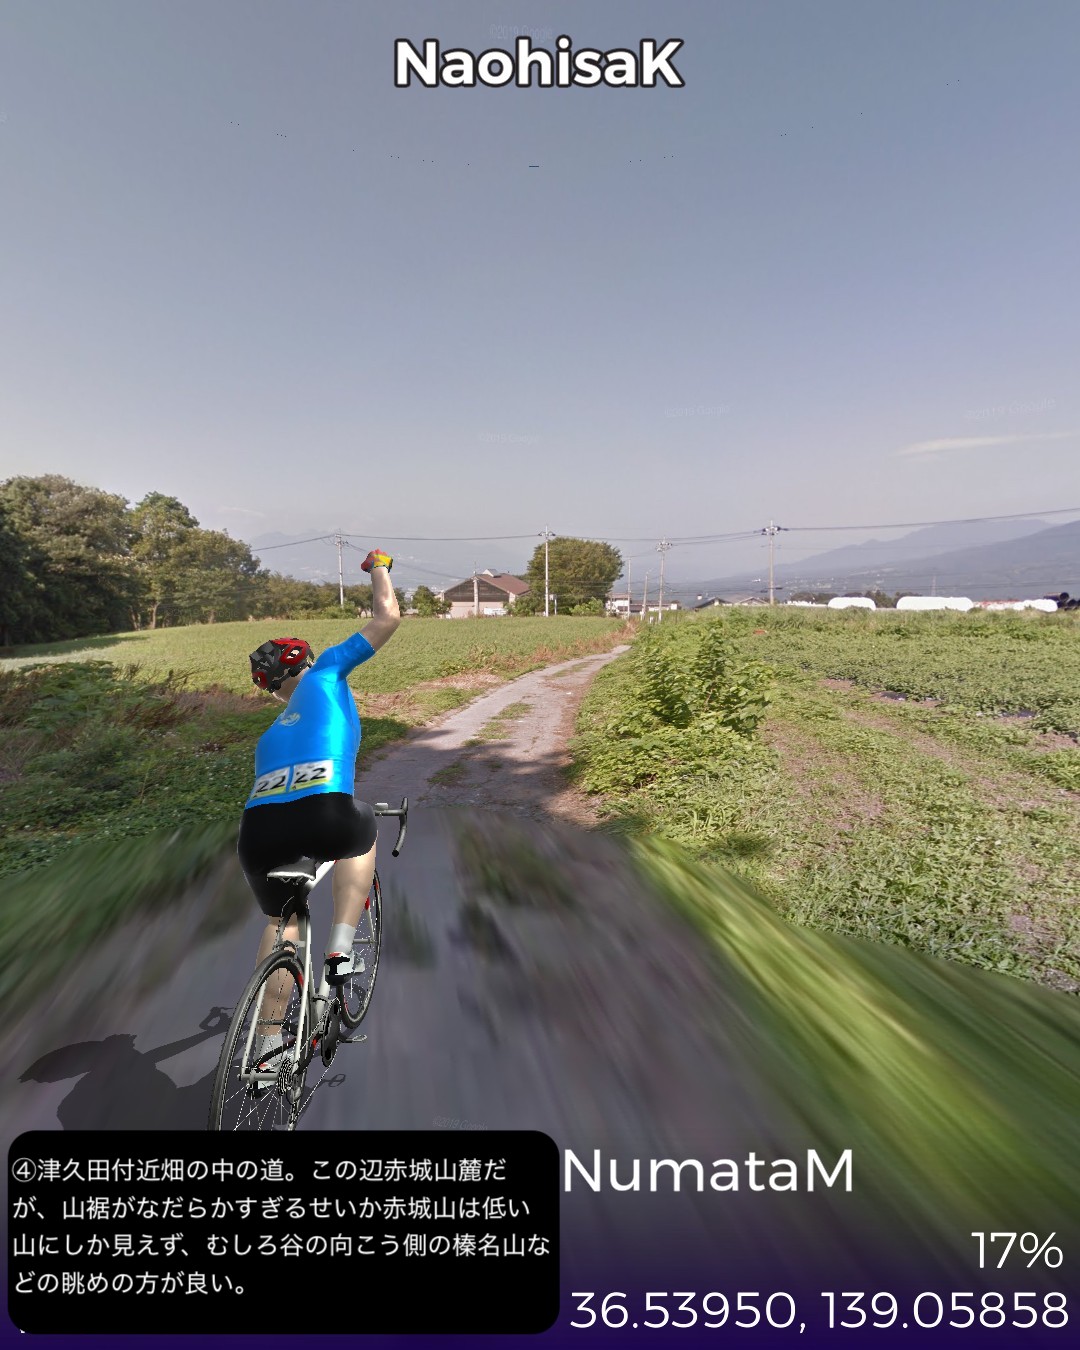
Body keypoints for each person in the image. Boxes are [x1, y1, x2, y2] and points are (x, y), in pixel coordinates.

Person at [237, 548, 400, 1067]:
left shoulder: (269, 734)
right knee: (362, 829)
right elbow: (387, 617)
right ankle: (340, 951)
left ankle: (266, 1048)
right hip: (325, 812)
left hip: (256, 832)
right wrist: (378, 565)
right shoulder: (327, 671)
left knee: (281, 924)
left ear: (270, 689)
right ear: (304, 662)